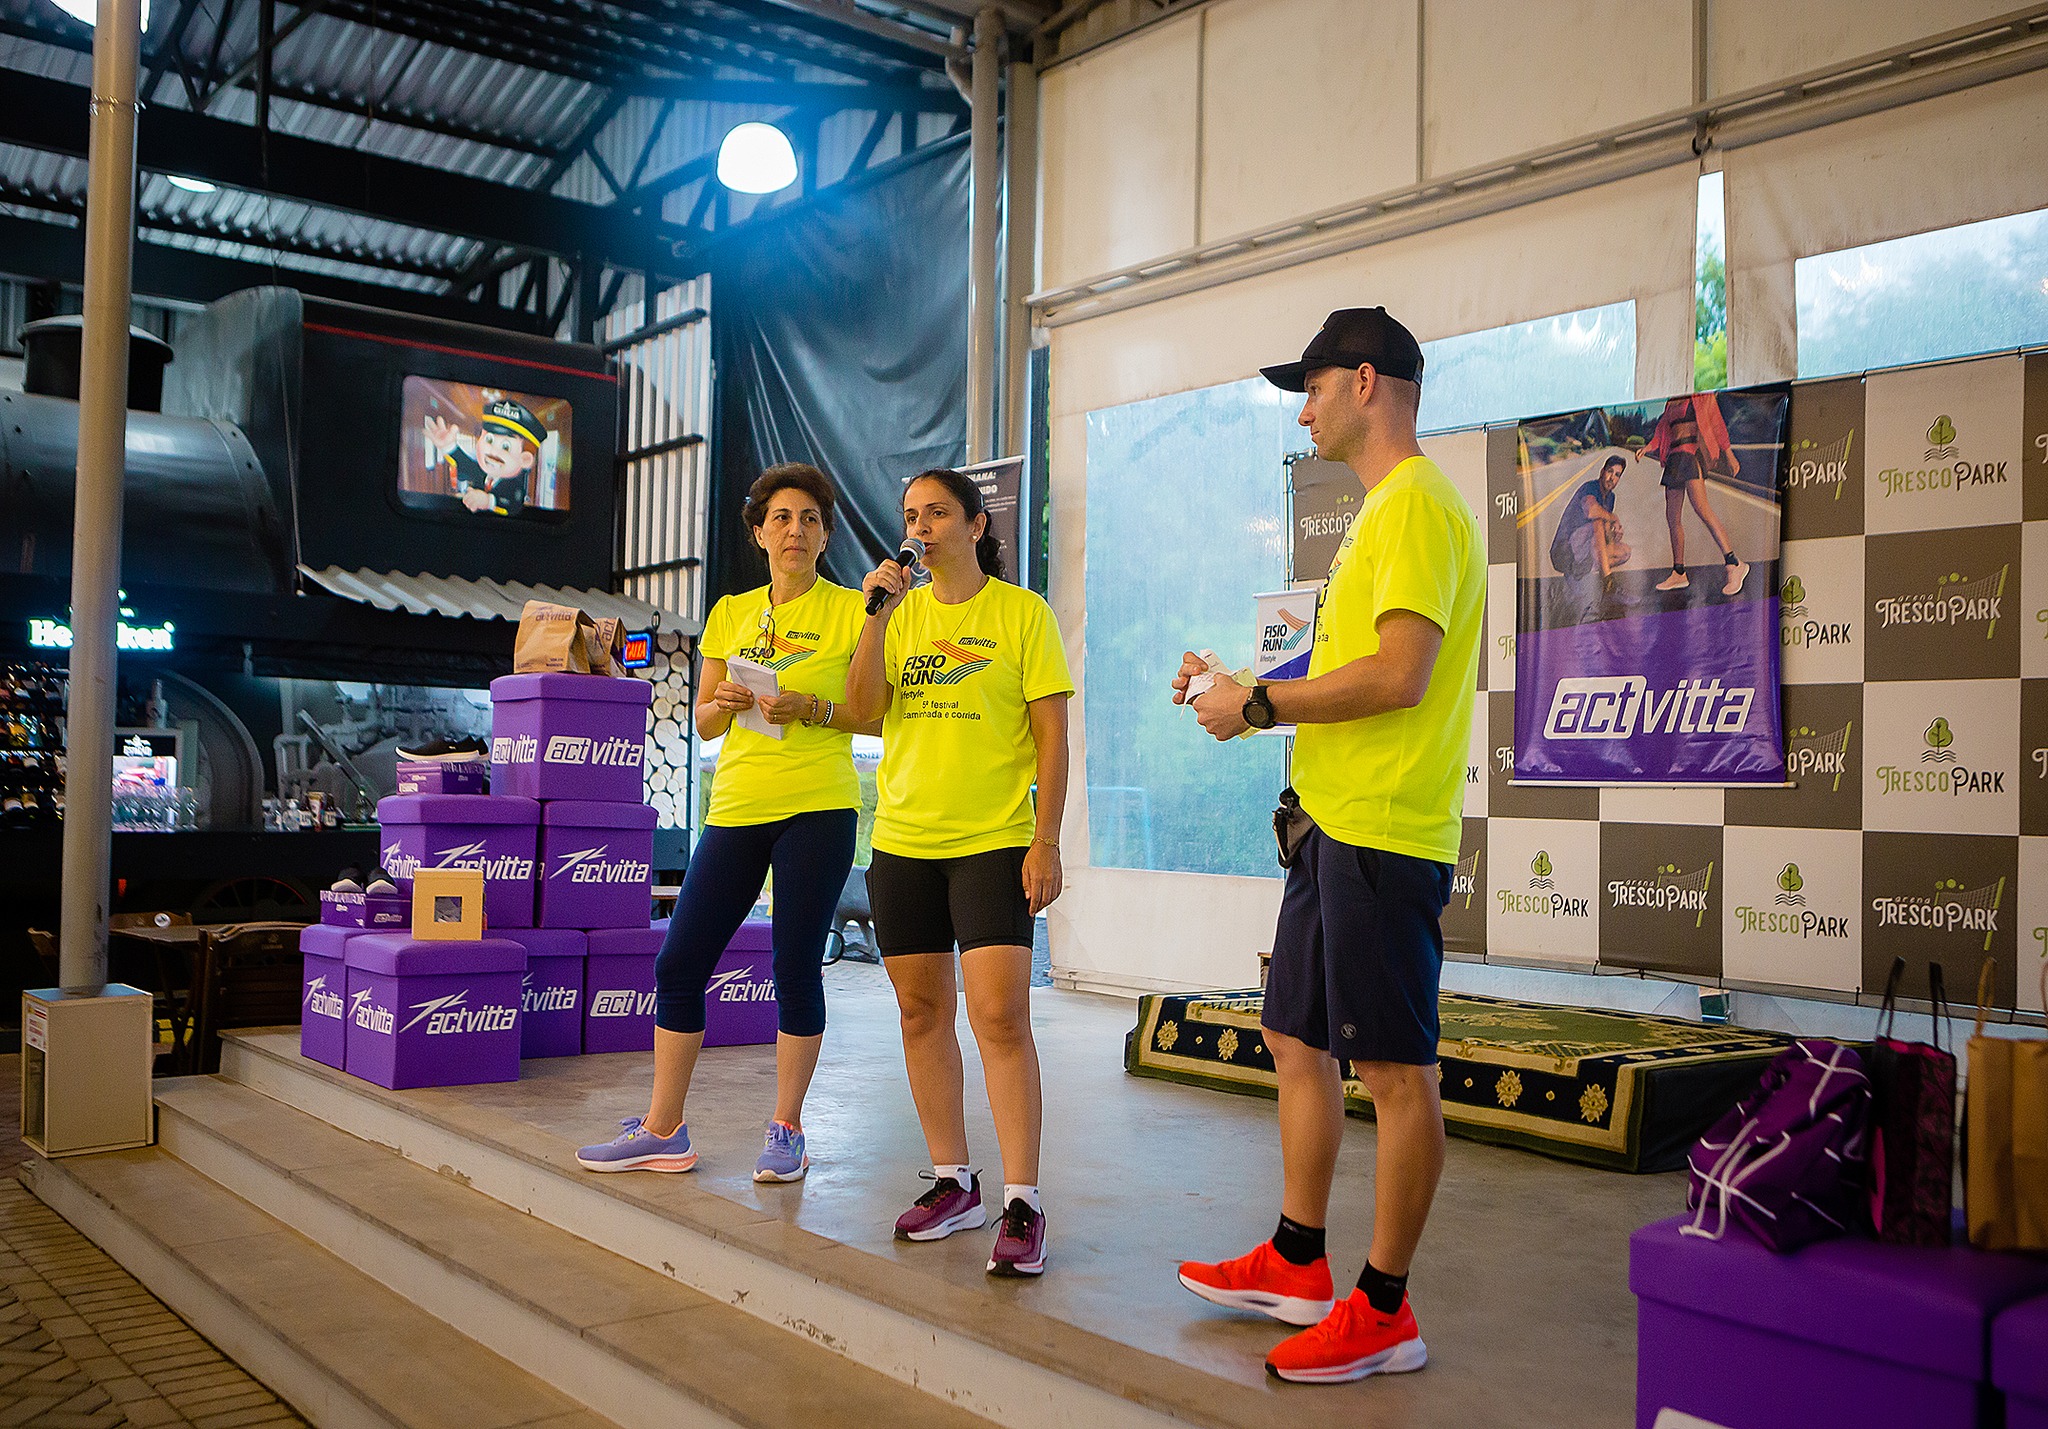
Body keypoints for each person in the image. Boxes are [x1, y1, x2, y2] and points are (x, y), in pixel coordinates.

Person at [1173, 307, 1483, 1385]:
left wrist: (1254, 704)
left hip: (1380, 829)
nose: (1301, 411)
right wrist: (1238, 684)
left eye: (1309, 388)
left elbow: (1400, 676)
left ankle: (1384, 1308)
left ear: (1364, 381)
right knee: (1296, 1040)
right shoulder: (1380, 513)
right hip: (1329, 824)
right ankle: (1297, 1260)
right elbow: (1346, 662)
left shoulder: (1414, 508)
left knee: (1398, 1077)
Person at [576, 463, 873, 1183]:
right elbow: (705, 721)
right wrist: (731, 699)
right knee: (678, 962)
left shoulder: (852, 609)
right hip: (737, 804)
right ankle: (663, 1128)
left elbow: (872, 710)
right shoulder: (732, 610)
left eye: (809, 518)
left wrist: (811, 706)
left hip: (818, 805)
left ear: (826, 533)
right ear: (759, 532)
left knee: (795, 962)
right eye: (781, 517)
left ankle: (788, 1128)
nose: (794, 529)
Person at [843, 468, 1073, 1278]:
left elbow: (1052, 737)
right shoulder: (896, 614)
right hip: (904, 841)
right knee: (919, 1013)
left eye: (938, 512)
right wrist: (876, 617)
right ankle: (953, 1179)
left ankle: (1023, 1200)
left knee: (1001, 1017)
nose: (922, 526)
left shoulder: (1021, 614)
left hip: (993, 839)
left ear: (977, 525)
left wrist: (1045, 840)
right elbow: (862, 707)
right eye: (910, 514)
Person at [1635, 393, 1748, 595]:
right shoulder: (1671, 402)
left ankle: (1734, 563)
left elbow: (1716, 423)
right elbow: (1662, 431)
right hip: (1674, 458)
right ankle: (1679, 572)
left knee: (1702, 509)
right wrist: (1646, 448)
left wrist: (1729, 454)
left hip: (1691, 454)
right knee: (1672, 518)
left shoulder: (1702, 396)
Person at [425, 396, 544, 516]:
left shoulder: (515, 486)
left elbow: (513, 503)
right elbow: (465, 464)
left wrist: (488, 501)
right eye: (489, 440)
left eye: (506, 447)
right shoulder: (482, 473)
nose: (493, 450)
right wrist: (448, 446)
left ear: (525, 459)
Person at [1547, 455, 1630, 619]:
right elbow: (1591, 511)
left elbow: (1605, 535)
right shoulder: (1590, 487)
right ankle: (1608, 582)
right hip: (1564, 551)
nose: (1612, 478)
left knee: (1625, 551)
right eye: (1610, 472)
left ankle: (1580, 573)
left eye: (1617, 475)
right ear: (1602, 472)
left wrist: (1614, 534)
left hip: (1584, 552)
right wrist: (1613, 517)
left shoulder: (1611, 498)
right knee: (1598, 520)